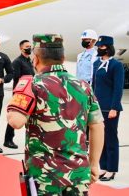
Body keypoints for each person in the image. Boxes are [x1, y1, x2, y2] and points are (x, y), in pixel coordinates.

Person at [7, 34, 105, 195]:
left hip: (45, 176)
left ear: (35, 59)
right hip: (78, 173)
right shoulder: (83, 86)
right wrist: (94, 164)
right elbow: (97, 125)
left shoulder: (33, 85)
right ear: (63, 58)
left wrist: (17, 98)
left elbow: (16, 121)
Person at [92, 35, 124, 181]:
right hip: (97, 107)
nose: (99, 48)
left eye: (102, 46)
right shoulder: (95, 64)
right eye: (98, 46)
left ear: (108, 48)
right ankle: (103, 167)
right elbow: (93, 86)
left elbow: (118, 88)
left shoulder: (116, 66)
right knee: (100, 139)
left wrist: (114, 107)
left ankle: (112, 169)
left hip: (110, 108)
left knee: (111, 139)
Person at [3, 39, 34, 149]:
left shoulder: (30, 61)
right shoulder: (17, 62)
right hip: (20, 94)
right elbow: (16, 78)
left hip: (30, 94)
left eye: (30, 46)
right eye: (27, 46)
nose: (29, 48)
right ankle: (8, 139)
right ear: (21, 48)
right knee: (15, 116)